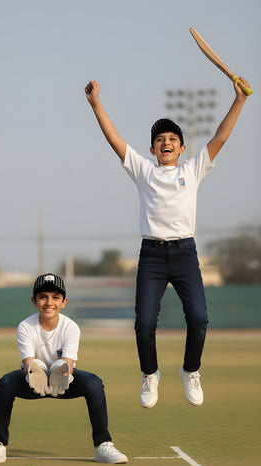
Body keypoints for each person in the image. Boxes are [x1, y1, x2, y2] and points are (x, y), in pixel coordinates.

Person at [84, 76, 251, 408]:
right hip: (152, 255)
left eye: (173, 139)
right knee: (144, 323)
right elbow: (114, 138)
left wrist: (240, 101)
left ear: (182, 147)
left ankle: (190, 370)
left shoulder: (193, 169)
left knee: (200, 318)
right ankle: (150, 375)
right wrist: (95, 104)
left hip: (185, 253)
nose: (166, 143)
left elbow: (220, 136)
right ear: (151, 149)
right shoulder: (143, 170)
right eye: (160, 140)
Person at [0, 273, 127, 465]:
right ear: (34, 301)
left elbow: (68, 364)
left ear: (64, 302)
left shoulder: (71, 327)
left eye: (55, 297)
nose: (49, 303)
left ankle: (103, 445)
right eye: (43, 297)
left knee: (94, 383)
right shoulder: (25, 326)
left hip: (63, 381)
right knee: (5, 384)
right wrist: (36, 374)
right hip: (33, 381)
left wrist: (61, 374)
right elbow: (28, 364)